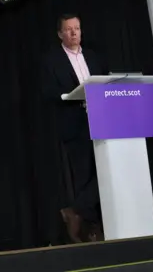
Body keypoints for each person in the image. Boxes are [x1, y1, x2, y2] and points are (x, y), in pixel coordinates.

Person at [40, 13, 108, 243]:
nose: (74, 33)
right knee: (84, 175)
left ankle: (75, 211)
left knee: (104, 172)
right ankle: (92, 228)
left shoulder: (93, 56)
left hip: (102, 119)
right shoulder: (51, 60)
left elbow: (104, 82)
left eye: (77, 28)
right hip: (74, 123)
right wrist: (69, 96)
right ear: (60, 34)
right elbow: (47, 92)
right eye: (68, 29)